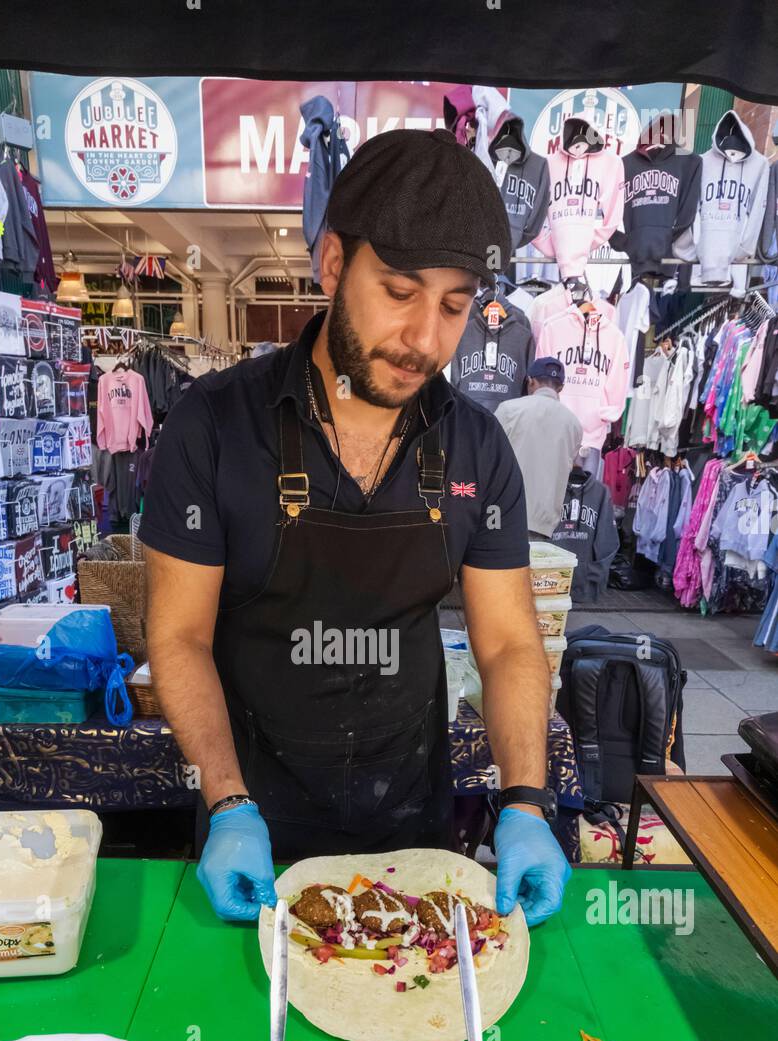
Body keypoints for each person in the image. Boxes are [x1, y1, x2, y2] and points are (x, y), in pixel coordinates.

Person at [139, 128, 570, 928]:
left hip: (411, 829)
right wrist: (227, 804)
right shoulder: (215, 424)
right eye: (400, 292)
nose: (425, 340)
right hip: (251, 822)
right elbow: (177, 635)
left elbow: (509, 642)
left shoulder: (477, 443)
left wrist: (526, 804)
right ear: (333, 264)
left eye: (454, 305)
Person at [494, 357, 583, 539]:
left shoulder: (508, 410)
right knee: (534, 567)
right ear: (561, 388)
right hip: (544, 522)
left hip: (501, 515)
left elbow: (487, 460)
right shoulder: (574, 424)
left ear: (530, 381)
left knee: (498, 567)